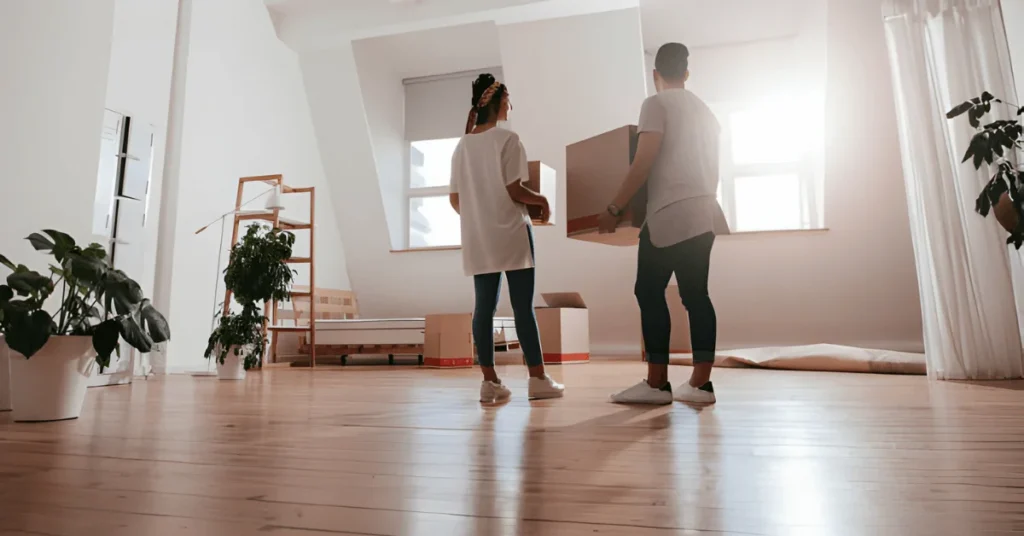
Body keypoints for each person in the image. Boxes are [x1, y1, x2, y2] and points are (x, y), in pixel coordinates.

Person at [599, 43, 728, 405]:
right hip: (705, 213)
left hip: (670, 212)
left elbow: (643, 161)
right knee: (696, 295)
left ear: (655, 74)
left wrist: (614, 207)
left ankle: (657, 384)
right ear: (686, 73)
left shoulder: (655, 104)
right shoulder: (706, 112)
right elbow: (714, 168)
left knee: (648, 291)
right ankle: (700, 384)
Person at [449, 73, 565, 403]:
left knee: (483, 309)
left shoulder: (461, 146)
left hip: (479, 238)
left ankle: (490, 383)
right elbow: (515, 189)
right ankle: (538, 379)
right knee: (522, 308)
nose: (510, 105)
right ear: (500, 102)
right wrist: (542, 200)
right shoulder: (508, 139)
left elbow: (455, 200)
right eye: (509, 99)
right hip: (512, 232)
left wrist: (480, 218)